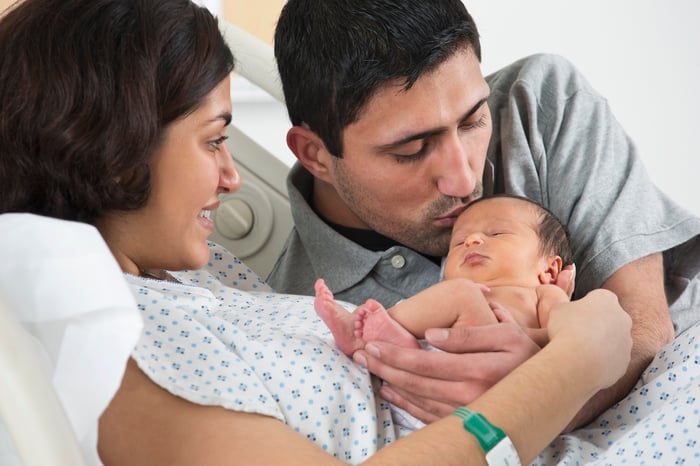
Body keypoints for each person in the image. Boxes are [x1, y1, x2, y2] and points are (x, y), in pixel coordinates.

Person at [0, 0, 634, 464]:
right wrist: (575, 363)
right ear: (117, 154)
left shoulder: (192, 278)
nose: (233, 177)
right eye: (215, 140)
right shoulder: (92, 335)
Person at [268, 0, 700, 429]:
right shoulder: (291, 315)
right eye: (411, 150)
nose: (463, 181)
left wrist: (543, 391)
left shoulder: (540, 101)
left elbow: (645, 325)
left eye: (473, 121)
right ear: (316, 154)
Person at [314, 195, 573, 360]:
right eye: (459, 242)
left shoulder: (544, 293)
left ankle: (363, 330)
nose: (472, 240)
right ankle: (379, 331)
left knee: (462, 293)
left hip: (509, 361)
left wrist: (524, 335)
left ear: (549, 270)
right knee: (458, 293)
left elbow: (566, 336)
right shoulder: (448, 295)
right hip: (438, 360)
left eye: (496, 234)